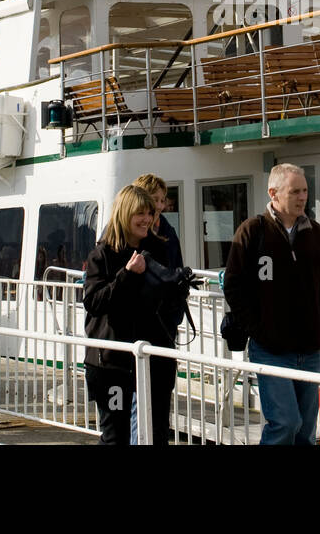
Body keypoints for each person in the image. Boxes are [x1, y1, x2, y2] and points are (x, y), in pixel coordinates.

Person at [223, 163, 320, 445]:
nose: (302, 197)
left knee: (305, 432)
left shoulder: (316, 233)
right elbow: (234, 285)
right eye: (295, 191)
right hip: (271, 349)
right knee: (285, 422)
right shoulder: (252, 231)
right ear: (273, 193)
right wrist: (258, 329)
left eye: (305, 191)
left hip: (310, 349)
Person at [82, 185, 179, 445]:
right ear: (125, 214)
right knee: (116, 436)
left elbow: (163, 300)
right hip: (111, 362)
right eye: (140, 213)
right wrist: (126, 274)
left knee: (156, 431)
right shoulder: (101, 254)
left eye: (149, 213)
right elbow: (93, 302)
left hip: (151, 357)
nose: (147, 219)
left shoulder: (158, 249)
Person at [130, 174, 184, 442]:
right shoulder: (133, 234)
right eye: (155, 200)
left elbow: (175, 271)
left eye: (163, 200)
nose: (160, 206)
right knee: (140, 400)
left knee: (162, 398)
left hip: (165, 324)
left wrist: (175, 312)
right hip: (141, 326)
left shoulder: (168, 231)